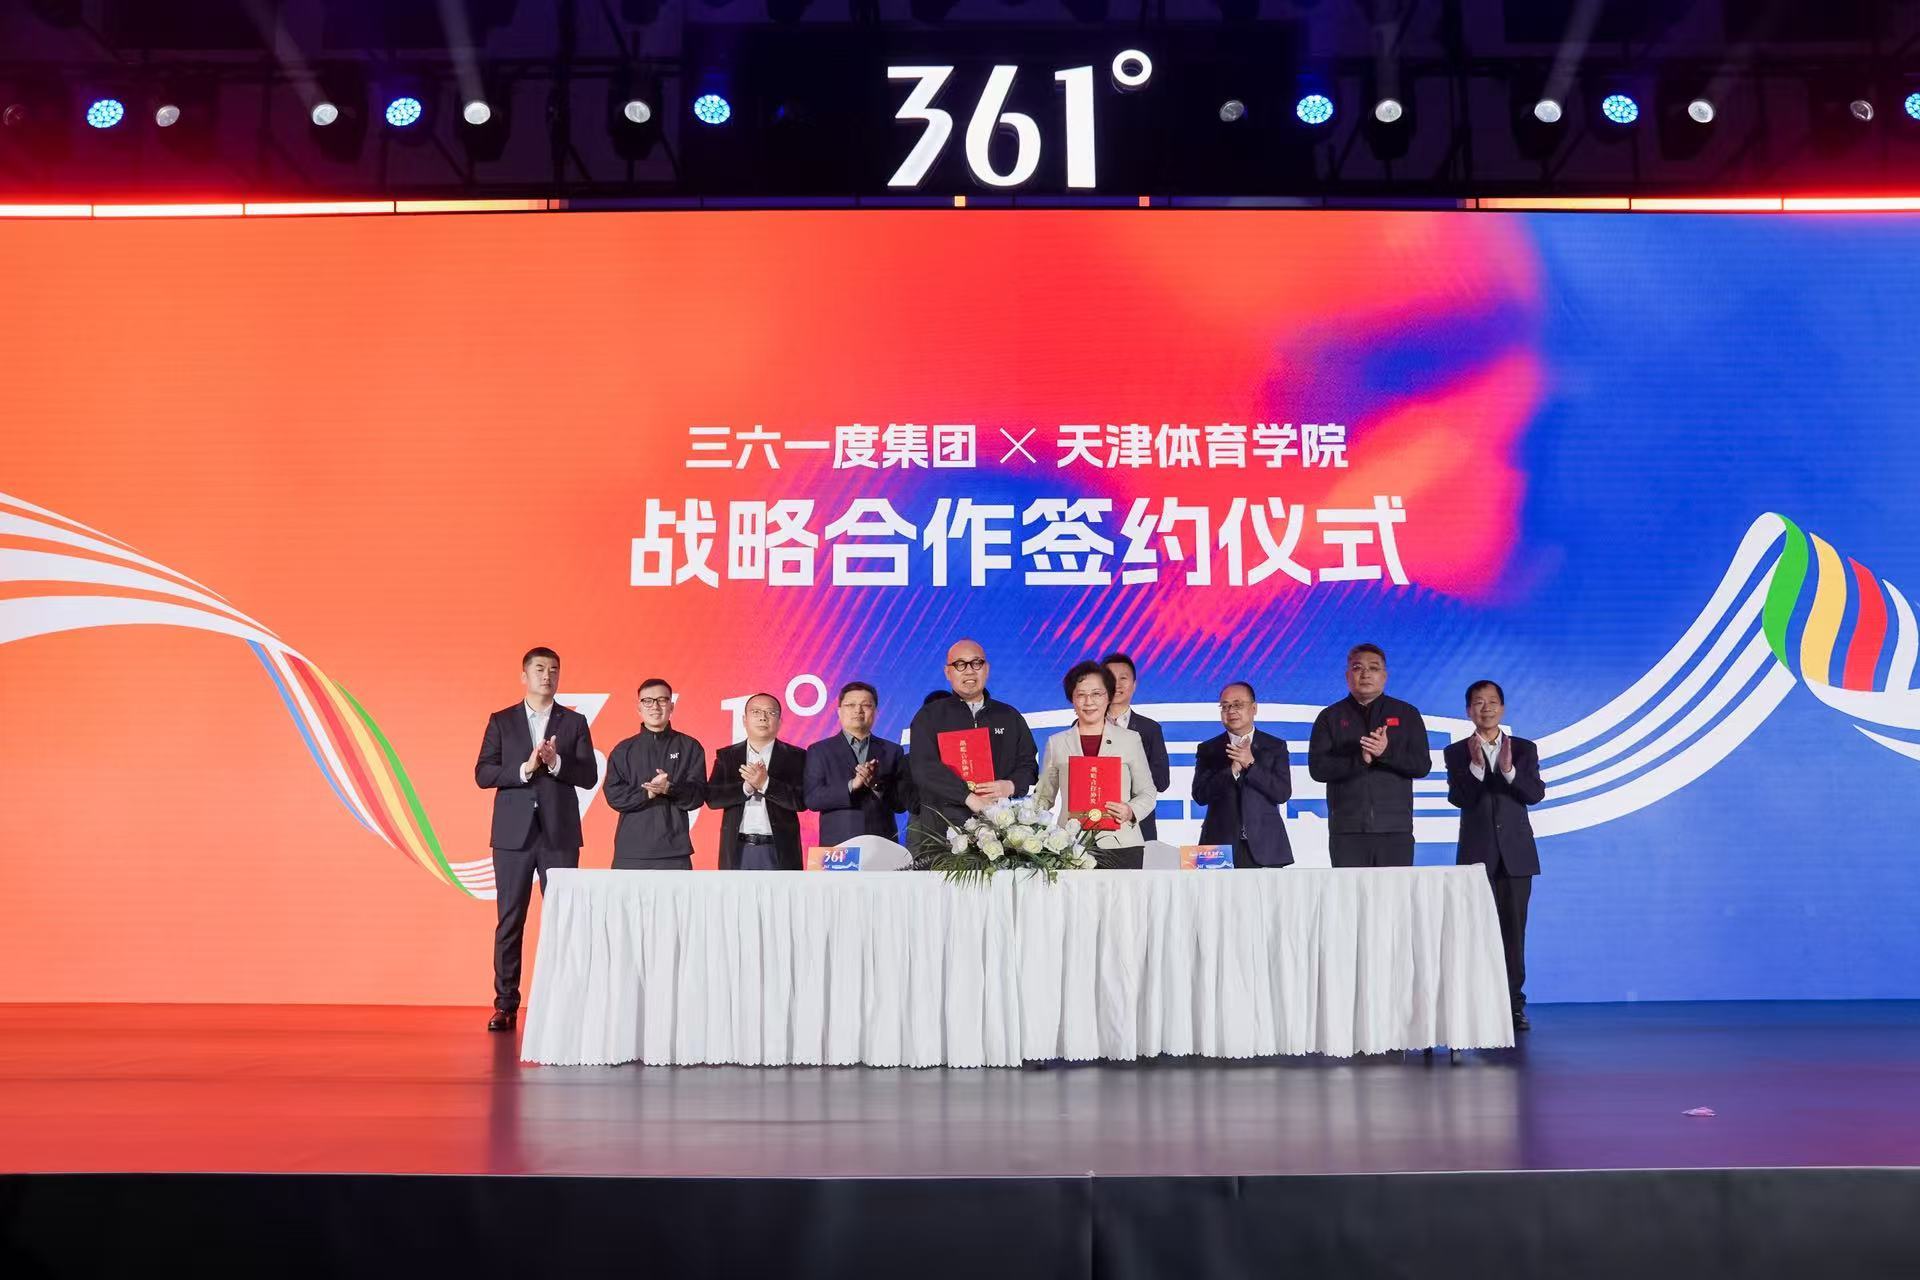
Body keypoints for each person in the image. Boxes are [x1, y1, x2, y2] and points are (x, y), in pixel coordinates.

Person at [473, 647, 598, 1033]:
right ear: (524, 676)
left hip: (559, 834)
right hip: (513, 836)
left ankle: (564, 1004)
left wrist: (556, 763)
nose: (547, 675)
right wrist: (525, 768)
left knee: (564, 919)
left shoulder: (574, 722)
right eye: (540, 669)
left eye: (554, 670)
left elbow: (589, 776)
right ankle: (505, 1004)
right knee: (510, 919)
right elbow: (483, 773)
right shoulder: (502, 720)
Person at [1444, 680, 1547, 1030]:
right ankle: (1479, 1005)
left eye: (1491, 702)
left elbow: (1534, 794)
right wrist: (1475, 768)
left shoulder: (1524, 749)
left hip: (1517, 856)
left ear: (1502, 708)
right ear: (1468, 711)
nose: (1485, 708)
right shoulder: (1456, 752)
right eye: (1478, 702)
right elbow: (1459, 799)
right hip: (1477, 856)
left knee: (1514, 933)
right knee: (1475, 933)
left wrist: (1508, 771)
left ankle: (1513, 1005)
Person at [906, 639, 1039, 859]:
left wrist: (1011, 785)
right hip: (943, 832)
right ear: (948, 672)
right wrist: (968, 797)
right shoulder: (929, 717)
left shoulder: (1009, 716)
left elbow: (1028, 764)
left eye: (976, 663)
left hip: (999, 830)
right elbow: (924, 768)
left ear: (987, 669)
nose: (969, 670)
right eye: (960, 664)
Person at [1308, 644, 1432, 868]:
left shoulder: (1407, 713)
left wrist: (1385, 753)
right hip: (1347, 831)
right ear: (1347, 676)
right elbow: (1318, 769)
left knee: (1395, 890)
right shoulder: (1330, 717)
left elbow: (1421, 766)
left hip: (1395, 830)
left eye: (1374, 668)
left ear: (1384, 676)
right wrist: (1360, 759)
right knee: (1350, 891)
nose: (1365, 674)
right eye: (1357, 668)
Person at [1033, 661, 1158, 868]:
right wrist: (1023, 826)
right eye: (1081, 695)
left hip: (1122, 844)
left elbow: (1147, 792)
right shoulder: (1056, 743)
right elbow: (1043, 797)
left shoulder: (1129, 739)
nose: (1088, 701)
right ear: (1072, 699)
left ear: (1108, 697)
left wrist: (1130, 811)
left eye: (1097, 694)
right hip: (1069, 844)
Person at [601, 678, 707, 870]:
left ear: (671, 706)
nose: (655, 707)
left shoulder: (690, 747)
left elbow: (697, 797)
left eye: (662, 700)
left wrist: (669, 789)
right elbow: (614, 796)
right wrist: (648, 793)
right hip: (631, 851)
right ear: (639, 708)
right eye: (647, 701)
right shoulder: (623, 750)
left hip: (675, 852)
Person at [1191, 681, 1294, 868]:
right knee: (1212, 889)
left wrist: (1250, 764)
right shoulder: (1208, 749)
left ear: (1254, 708)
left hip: (1267, 846)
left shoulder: (1275, 746)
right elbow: (1200, 795)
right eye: (1225, 706)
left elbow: (1282, 793)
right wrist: (1231, 771)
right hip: (1217, 846)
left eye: (1238, 705)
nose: (1231, 711)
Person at [706, 692, 807, 870]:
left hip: (780, 849)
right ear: (744, 720)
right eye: (756, 712)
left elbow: (801, 801)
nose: (763, 717)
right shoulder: (727, 756)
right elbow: (713, 799)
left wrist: (765, 784)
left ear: (780, 721)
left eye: (771, 712)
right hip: (738, 848)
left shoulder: (796, 756)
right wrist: (746, 788)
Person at [804, 681, 913, 847]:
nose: (858, 710)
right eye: (850, 705)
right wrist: (851, 785)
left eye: (866, 705)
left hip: (881, 844)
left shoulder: (893, 751)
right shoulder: (819, 750)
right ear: (839, 711)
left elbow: (900, 805)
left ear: (875, 712)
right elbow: (812, 799)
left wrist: (875, 784)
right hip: (837, 847)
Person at [1101, 652, 1171, 843]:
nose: (1116, 684)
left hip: (1138, 824)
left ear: (1134, 685)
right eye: (1110, 678)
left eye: (1123, 678)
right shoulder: (1084, 726)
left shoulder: (1150, 729)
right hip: (1095, 823)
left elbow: (1162, 781)